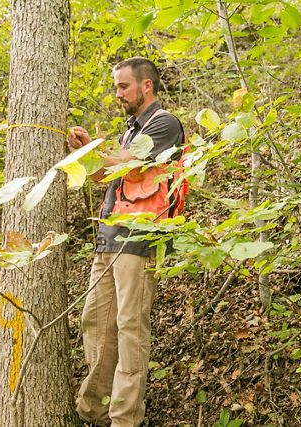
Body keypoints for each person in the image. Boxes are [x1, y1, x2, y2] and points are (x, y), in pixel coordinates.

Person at [68, 57, 184, 426]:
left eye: (123, 86)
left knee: (130, 330)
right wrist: (83, 152)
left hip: (138, 241)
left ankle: (125, 419)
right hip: (109, 240)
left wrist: (97, 150)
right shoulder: (130, 131)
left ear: (146, 86)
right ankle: (94, 411)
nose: (118, 93)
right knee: (96, 325)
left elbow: (127, 164)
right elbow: (106, 174)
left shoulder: (164, 123)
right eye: (117, 86)